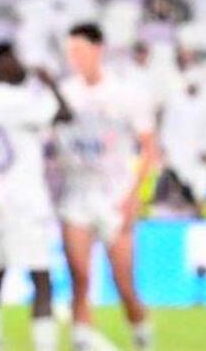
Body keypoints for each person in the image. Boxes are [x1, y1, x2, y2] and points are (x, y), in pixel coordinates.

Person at [55, 25, 157, 351]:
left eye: (80, 50)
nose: (75, 58)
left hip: (115, 194)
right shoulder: (64, 93)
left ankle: (143, 337)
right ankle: (83, 342)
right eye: (71, 52)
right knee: (79, 278)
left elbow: (149, 149)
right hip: (76, 193)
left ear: (98, 50)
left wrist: (133, 196)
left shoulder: (126, 94)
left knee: (124, 283)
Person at [0, 44, 69, 351]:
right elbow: (64, 115)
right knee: (41, 278)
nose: (21, 65)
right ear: (3, 65)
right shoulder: (16, 99)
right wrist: (49, 83)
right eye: (15, 60)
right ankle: (46, 346)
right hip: (25, 203)